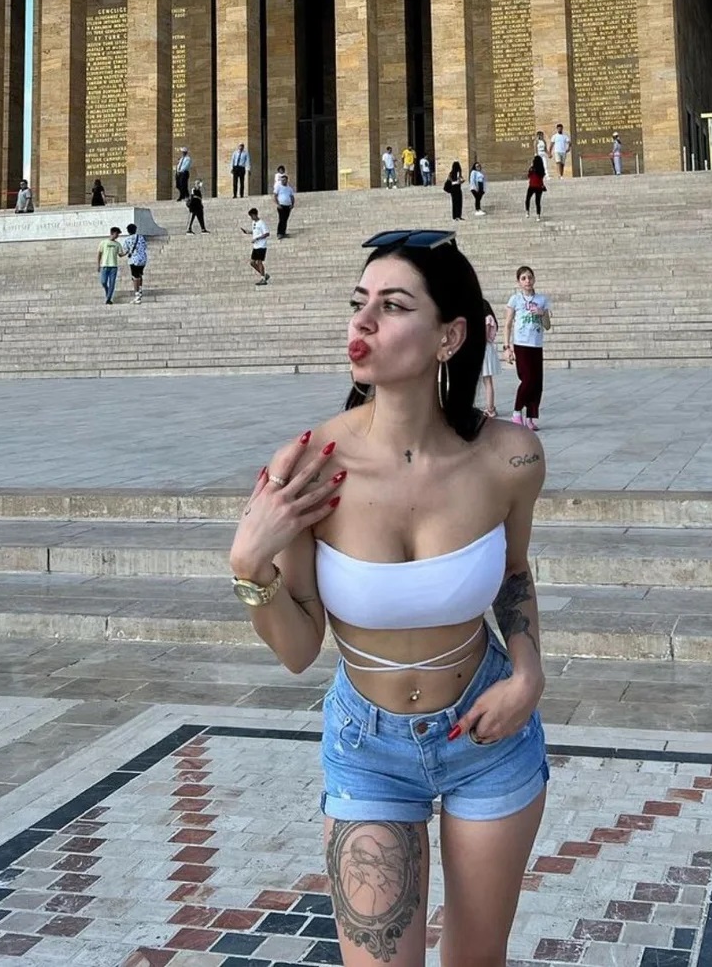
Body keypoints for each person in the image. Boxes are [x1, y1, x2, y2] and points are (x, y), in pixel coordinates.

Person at [228, 228, 548, 965]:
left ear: (449, 336)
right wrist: (251, 564)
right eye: (358, 303)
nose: (362, 323)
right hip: (367, 747)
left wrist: (529, 674)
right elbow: (301, 650)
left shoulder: (511, 456)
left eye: (393, 305)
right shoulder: (311, 466)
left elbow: (514, 574)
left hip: (487, 735)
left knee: (475, 958)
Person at [504, 265, 552, 430]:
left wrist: (542, 313)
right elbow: (508, 324)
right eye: (523, 278)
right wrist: (507, 347)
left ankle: (530, 417)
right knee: (528, 379)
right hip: (521, 344)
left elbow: (547, 326)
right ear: (518, 282)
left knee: (537, 383)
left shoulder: (542, 300)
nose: (527, 281)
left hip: (536, 345)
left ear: (534, 279)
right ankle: (517, 412)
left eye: (530, 277)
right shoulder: (515, 300)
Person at [481, 297, 500, 417]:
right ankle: (490, 407)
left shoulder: (486, 319)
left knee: (487, 381)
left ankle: (490, 408)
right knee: (487, 380)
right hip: (485, 349)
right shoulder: (488, 318)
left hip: (482, 350)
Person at [243, 206, 271, 285]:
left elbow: (267, 233)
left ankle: (263, 279)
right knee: (252, 262)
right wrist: (248, 232)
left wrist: (257, 238)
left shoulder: (261, 223)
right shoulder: (254, 223)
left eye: (252, 216)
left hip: (261, 245)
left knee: (259, 262)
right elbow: (255, 231)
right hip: (256, 246)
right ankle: (264, 275)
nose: (251, 218)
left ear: (255, 215)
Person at [122, 222, 148, 304]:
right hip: (143, 259)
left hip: (134, 260)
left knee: (135, 277)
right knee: (140, 275)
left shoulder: (127, 240)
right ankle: (140, 290)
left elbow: (125, 251)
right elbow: (145, 246)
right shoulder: (141, 237)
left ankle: (137, 295)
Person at [96, 227, 123, 305]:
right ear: (112, 233)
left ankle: (108, 299)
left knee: (112, 283)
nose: (117, 235)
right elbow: (99, 254)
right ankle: (108, 293)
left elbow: (120, 254)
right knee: (103, 282)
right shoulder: (103, 242)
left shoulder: (117, 244)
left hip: (113, 266)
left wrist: (127, 252)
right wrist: (98, 264)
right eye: (117, 234)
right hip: (105, 265)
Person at [274, 175, 296, 239]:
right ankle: (279, 233)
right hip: (281, 206)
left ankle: (283, 232)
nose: (283, 181)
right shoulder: (278, 187)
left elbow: (292, 197)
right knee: (281, 219)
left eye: (284, 180)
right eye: (282, 180)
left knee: (285, 219)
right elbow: (275, 196)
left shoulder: (289, 188)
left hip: (288, 206)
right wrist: (278, 204)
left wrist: (292, 204)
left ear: (287, 180)